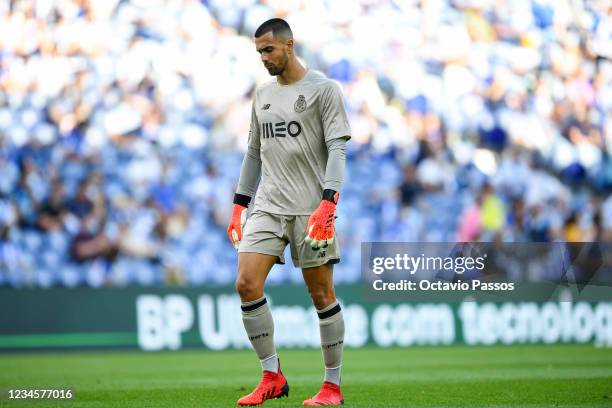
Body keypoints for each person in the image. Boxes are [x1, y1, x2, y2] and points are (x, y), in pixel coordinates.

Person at [226, 18, 350, 407]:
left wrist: (329, 201)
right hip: (268, 206)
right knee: (246, 283)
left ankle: (331, 387)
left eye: (268, 50)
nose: (263, 58)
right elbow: (253, 153)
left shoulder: (324, 89)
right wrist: (238, 207)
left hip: (312, 210)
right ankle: (271, 376)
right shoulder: (262, 94)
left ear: (289, 45)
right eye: (259, 52)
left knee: (321, 294)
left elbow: (338, 149)